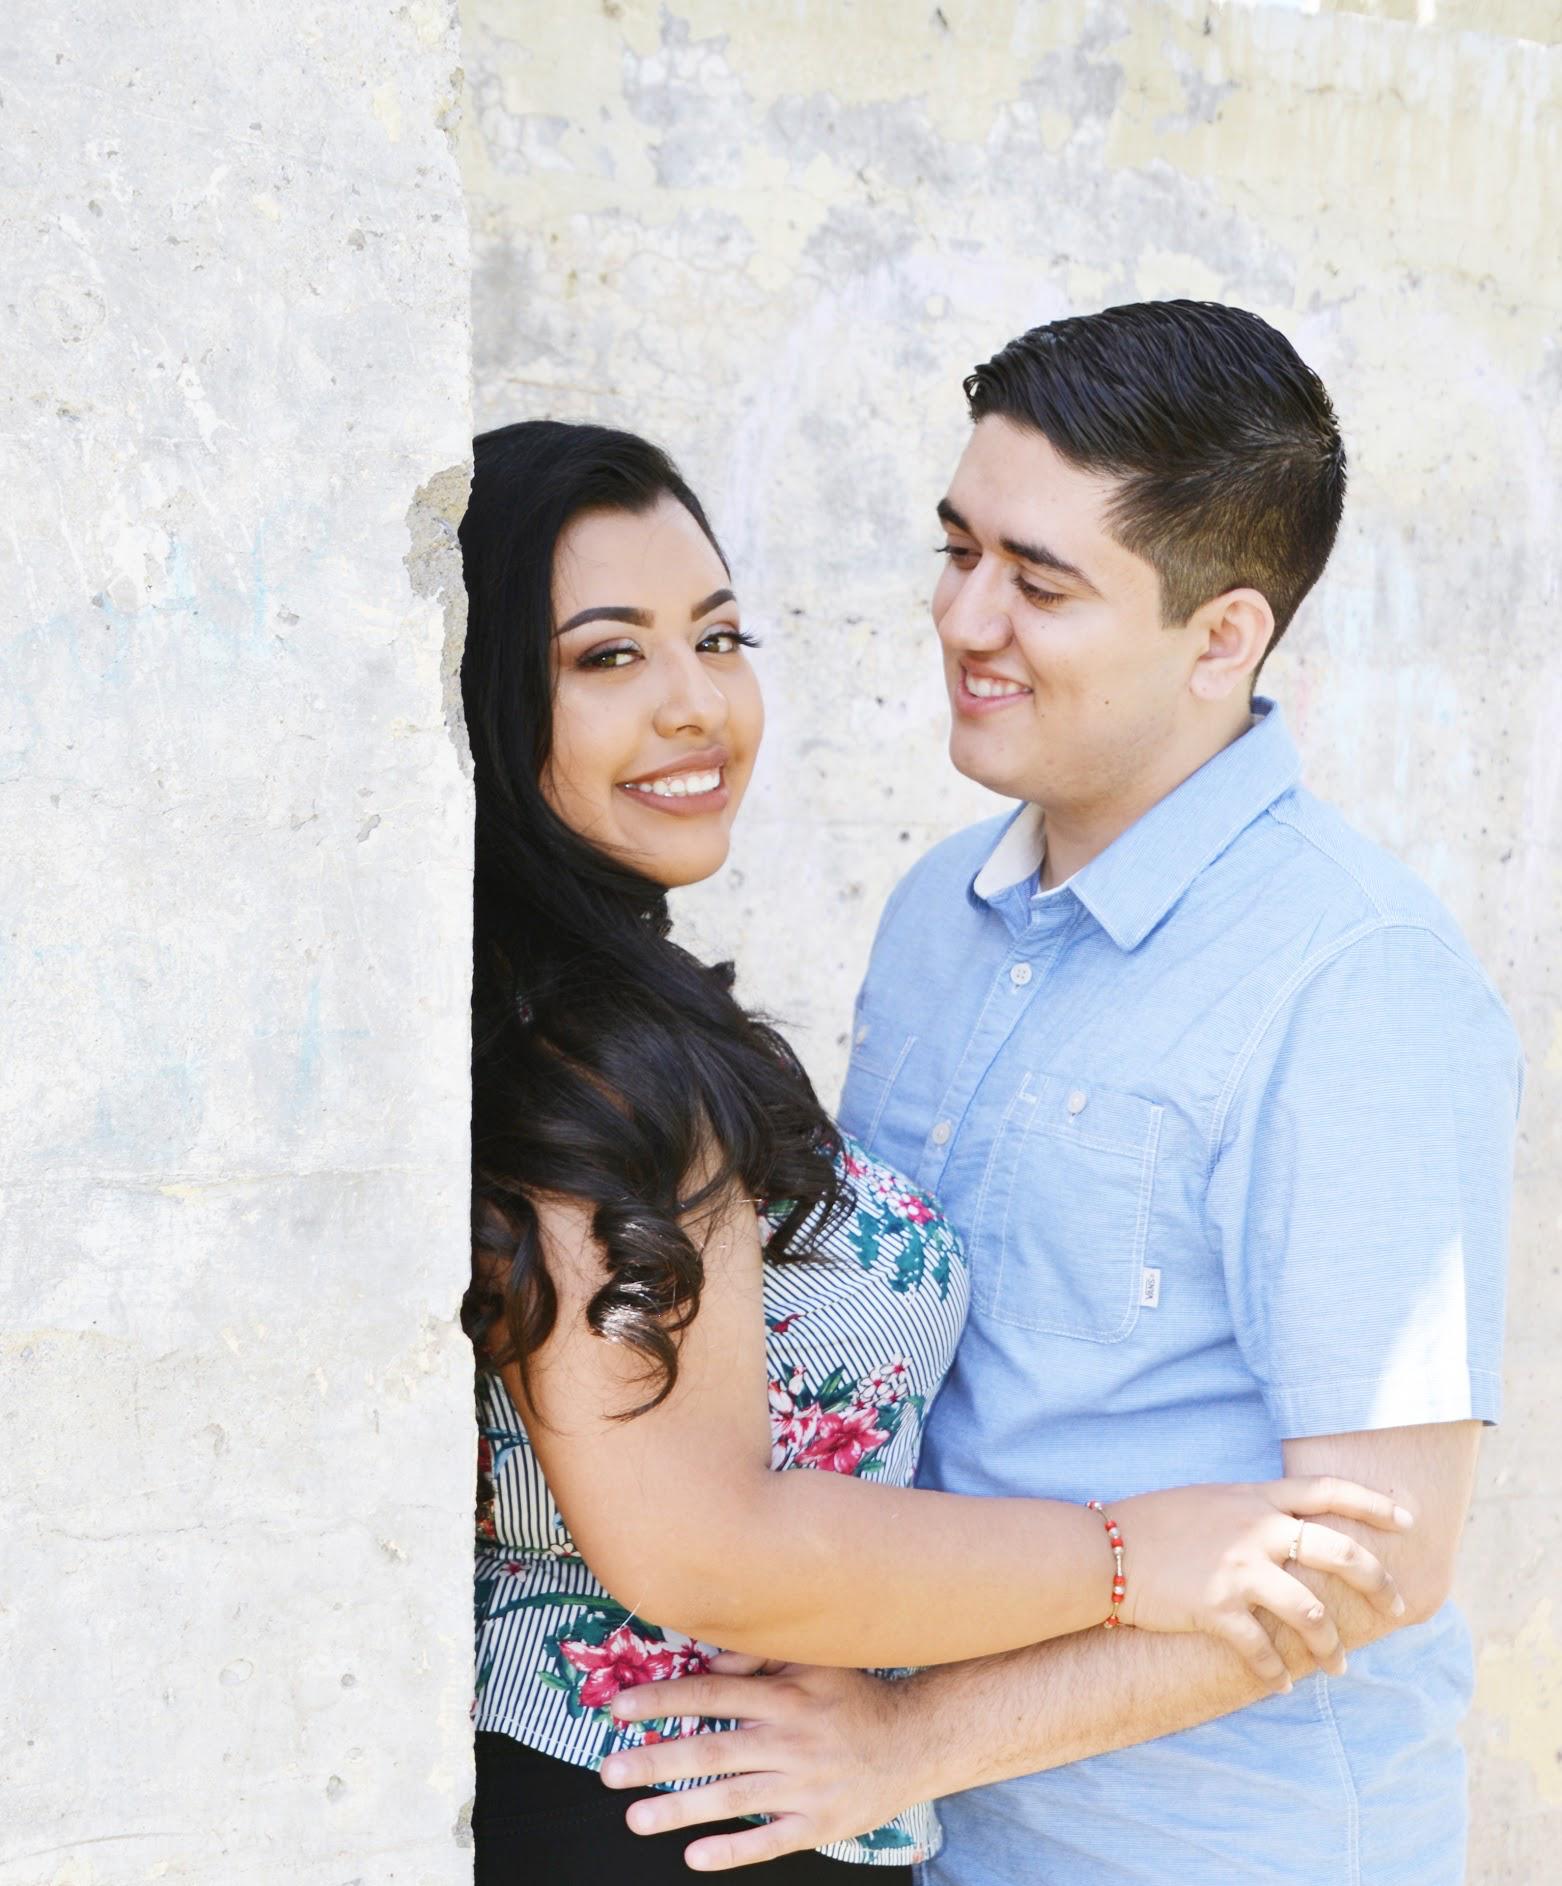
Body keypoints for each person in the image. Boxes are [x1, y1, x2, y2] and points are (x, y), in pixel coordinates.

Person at [600, 303, 1524, 1885]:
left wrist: (908, 1738)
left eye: (1037, 583)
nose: (964, 617)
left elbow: (1377, 1557)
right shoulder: (936, 911)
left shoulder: (1352, 978)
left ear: (1219, 637)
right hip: (927, 1838)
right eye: (956, 549)